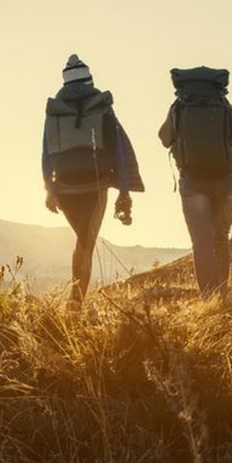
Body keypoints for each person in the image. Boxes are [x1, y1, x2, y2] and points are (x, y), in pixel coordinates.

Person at [42, 54, 144, 304]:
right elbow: (119, 148)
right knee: (86, 242)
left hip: (65, 188)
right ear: (89, 81)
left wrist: (49, 189)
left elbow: (45, 153)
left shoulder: (55, 112)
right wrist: (124, 190)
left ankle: (75, 301)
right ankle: (75, 304)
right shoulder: (102, 107)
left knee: (82, 240)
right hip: (96, 185)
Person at [158, 66, 232, 297]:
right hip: (224, 182)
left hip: (192, 183)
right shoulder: (226, 108)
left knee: (201, 242)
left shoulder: (179, 108)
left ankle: (208, 297)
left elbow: (164, 139)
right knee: (220, 237)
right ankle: (222, 293)